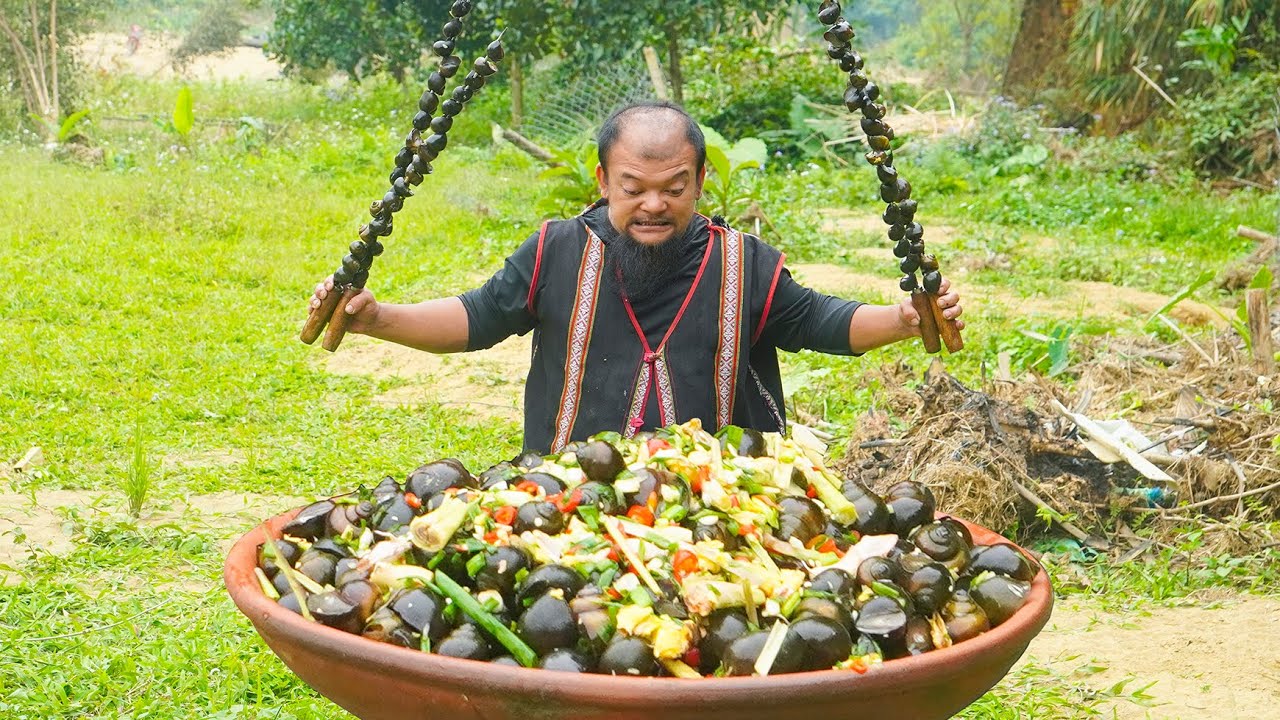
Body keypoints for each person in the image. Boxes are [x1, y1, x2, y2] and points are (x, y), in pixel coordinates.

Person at [309, 101, 964, 453]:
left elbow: (822, 321)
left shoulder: (744, 264)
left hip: (716, 509)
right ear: (603, 181)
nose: (654, 205)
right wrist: (378, 318)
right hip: (568, 502)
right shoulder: (555, 252)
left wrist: (904, 319)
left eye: (674, 188)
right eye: (633, 188)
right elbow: (476, 318)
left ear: (701, 181)